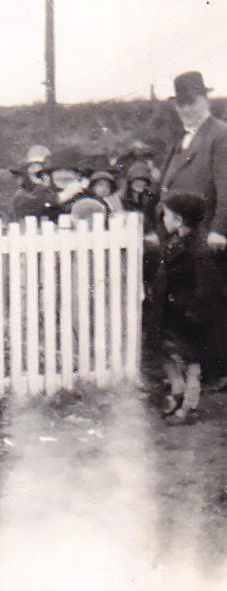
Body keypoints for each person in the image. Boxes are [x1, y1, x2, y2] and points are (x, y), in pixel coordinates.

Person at [150, 192, 227, 425]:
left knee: (192, 364)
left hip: (190, 318)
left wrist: (194, 313)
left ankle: (189, 407)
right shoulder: (178, 241)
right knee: (170, 355)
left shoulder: (198, 251)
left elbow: (207, 288)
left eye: (167, 215)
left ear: (179, 220)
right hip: (174, 313)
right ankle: (178, 393)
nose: (163, 219)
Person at [159, 71, 227, 262]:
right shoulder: (179, 139)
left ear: (206, 101)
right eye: (181, 104)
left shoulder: (221, 135)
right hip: (177, 235)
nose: (187, 109)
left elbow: (226, 187)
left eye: (192, 102)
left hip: (206, 238)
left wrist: (220, 230)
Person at [10, 144, 59, 221]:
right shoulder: (22, 193)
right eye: (32, 165)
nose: (37, 169)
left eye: (42, 165)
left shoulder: (55, 184)